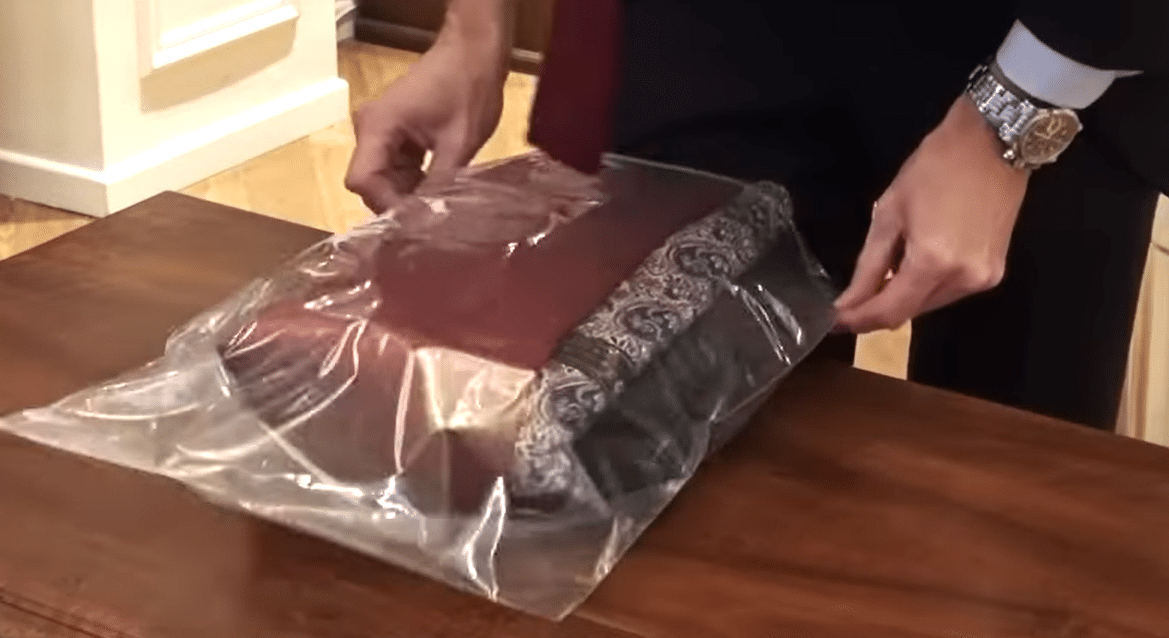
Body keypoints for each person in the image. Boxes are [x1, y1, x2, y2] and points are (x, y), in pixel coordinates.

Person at [344, 0, 1169, 431]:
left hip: (1034, 40)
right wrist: (473, 27)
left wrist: (1009, 121)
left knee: (1010, 470)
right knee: (669, 434)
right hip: (707, 32)